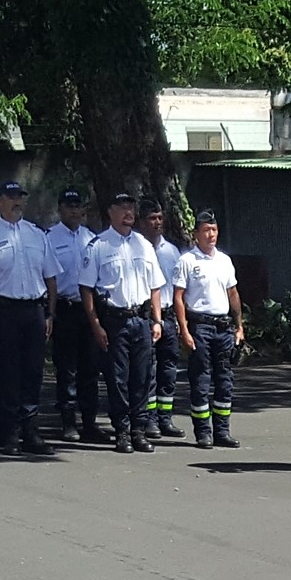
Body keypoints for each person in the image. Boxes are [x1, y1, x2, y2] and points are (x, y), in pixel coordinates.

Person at [0, 180, 56, 453]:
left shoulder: (37, 235)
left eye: (20, 197)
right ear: (0, 201)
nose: (17, 202)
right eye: (11, 197)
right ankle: (9, 432)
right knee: (6, 373)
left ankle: (31, 431)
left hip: (34, 310)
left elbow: (50, 276)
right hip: (3, 310)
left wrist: (50, 314)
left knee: (33, 372)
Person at [84, 192, 162, 454]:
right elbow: (86, 289)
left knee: (141, 377)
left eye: (131, 207)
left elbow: (155, 286)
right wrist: (96, 324)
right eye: (122, 207)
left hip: (141, 319)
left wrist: (157, 320)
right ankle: (122, 431)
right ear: (110, 212)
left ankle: (139, 430)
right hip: (114, 321)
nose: (129, 212)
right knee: (118, 379)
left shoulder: (143, 245)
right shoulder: (98, 246)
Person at [172, 209, 243, 449]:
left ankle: (222, 431)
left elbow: (233, 293)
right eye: (206, 230)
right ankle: (203, 432)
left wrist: (239, 326)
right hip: (200, 326)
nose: (211, 235)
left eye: (214, 230)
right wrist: (184, 330)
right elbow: (178, 297)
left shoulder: (224, 261)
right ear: (196, 234)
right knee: (201, 380)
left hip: (223, 327)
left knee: (225, 380)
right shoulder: (187, 261)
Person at [43, 188, 103, 442]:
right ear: (60, 209)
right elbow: (48, 277)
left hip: (88, 310)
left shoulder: (91, 238)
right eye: (69, 206)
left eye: (78, 206)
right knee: (67, 369)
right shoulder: (49, 238)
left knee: (90, 368)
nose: (74, 211)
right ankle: (68, 422)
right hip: (65, 308)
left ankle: (90, 422)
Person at [141, 203, 183, 437]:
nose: (157, 222)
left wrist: (179, 319)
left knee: (168, 370)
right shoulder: (138, 248)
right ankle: (150, 419)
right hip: (147, 317)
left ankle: (165, 418)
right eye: (151, 218)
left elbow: (178, 288)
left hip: (168, 316)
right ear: (142, 222)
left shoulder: (172, 251)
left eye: (159, 217)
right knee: (149, 370)